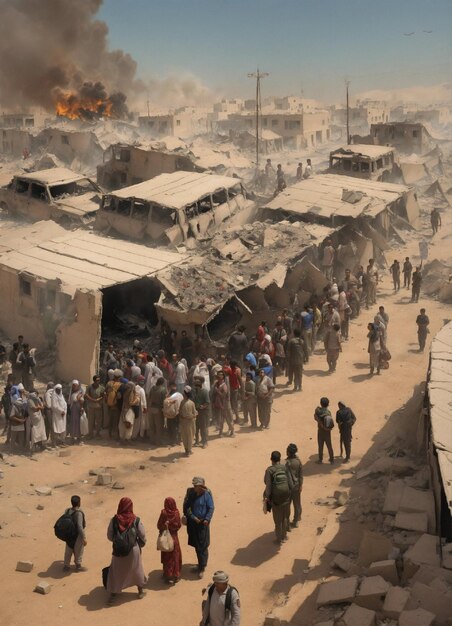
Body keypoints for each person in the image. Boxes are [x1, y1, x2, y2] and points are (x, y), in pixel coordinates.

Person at [106, 497, 146, 604]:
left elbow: (109, 536)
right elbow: (142, 534)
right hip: (133, 549)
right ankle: (140, 590)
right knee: (136, 569)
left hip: (118, 550)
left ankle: (113, 594)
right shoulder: (136, 520)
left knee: (116, 571)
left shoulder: (114, 520)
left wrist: (119, 541)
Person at [183, 476, 214, 579]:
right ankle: (200, 564)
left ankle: (202, 567)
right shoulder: (191, 494)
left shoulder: (207, 495)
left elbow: (211, 508)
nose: (194, 487)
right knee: (197, 545)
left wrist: (207, 519)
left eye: (196, 485)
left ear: (201, 487)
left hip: (203, 524)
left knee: (203, 546)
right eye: (194, 485)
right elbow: (187, 508)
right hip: (193, 523)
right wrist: (193, 517)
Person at [264, 451, 292, 545]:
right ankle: (285, 536)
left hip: (276, 499)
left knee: (277, 520)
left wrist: (267, 498)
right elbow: (290, 482)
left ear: (271, 459)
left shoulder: (269, 470)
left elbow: (268, 486)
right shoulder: (285, 468)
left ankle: (279, 539)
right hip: (286, 497)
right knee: (285, 517)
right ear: (279, 459)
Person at [157, 497, 182, 584]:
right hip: (174, 538)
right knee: (175, 556)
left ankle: (167, 575)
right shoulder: (177, 513)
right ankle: (176, 575)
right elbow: (178, 525)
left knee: (167, 557)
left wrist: (165, 526)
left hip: (166, 538)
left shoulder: (164, 513)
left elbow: (159, 525)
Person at [63, 495, 87, 573]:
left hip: (68, 535)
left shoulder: (67, 510)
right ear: (79, 503)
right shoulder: (79, 513)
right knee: (79, 550)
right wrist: (84, 538)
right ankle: (78, 566)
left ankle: (66, 565)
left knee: (68, 549)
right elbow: (80, 527)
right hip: (77, 535)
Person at [285, 444, 303, 528]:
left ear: (288, 452)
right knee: (297, 504)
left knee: (287, 505)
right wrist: (300, 486)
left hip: (288, 487)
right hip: (296, 486)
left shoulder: (286, 463)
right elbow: (301, 475)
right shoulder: (298, 461)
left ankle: (287, 523)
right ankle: (296, 521)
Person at [212, 371, 234, 437]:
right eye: (218, 375)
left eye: (221, 375)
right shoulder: (216, 384)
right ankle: (220, 432)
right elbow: (213, 394)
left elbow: (224, 395)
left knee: (228, 418)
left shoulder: (224, 385)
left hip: (225, 404)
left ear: (223, 377)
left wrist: (218, 391)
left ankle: (232, 431)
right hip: (219, 404)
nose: (219, 376)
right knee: (220, 419)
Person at [314, 397, 335, 464]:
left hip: (320, 430)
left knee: (320, 446)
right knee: (329, 445)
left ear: (321, 403)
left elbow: (315, 416)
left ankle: (320, 460)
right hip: (327, 431)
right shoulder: (328, 412)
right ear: (328, 404)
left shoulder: (318, 411)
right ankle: (331, 459)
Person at [148, 377, 167, 445]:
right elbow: (164, 401)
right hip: (158, 409)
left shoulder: (152, 388)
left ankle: (151, 440)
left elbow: (149, 397)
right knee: (159, 426)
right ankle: (158, 441)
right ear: (162, 383)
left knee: (152, 425)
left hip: (151, 408)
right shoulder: (163, 389)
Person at [179, 386, 197, 456]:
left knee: (184, 436)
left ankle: (186, 449)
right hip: (190, 422)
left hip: (183, 422)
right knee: (190, 436)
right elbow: (194, 413)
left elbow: (180, 412)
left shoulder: (182, 402)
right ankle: (189, 451)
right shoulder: (191, 403)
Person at [85, 375, 104, 439]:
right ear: (94, 381)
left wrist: (99, 399)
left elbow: (103, 395)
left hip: (98, 406)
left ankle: (98, 433)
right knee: (91, 421)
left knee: (98, 421)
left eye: (99, 380)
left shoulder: (101, 387)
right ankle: (90, 434)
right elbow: (86, 395)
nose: (98, 382)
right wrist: (93, 400)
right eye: (97, 380)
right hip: (91, 406)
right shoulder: (90, 387)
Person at [193, 376, 210, 448]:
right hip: (196, 412)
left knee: (203, 428)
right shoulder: (194, 392)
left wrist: (202, 406)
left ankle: (204, 442)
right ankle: (196, 441)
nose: (196, 387)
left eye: (197, 385)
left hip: (203, 412)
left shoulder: (205, 391)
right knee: (196, 428)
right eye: (195, 385)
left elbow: (207, 402)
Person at [9, 384, 27, 451]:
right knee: (17, 437)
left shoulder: (19, 406)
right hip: (18, 424)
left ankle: (17, 449)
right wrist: (20, 420)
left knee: (17, 437)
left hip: (18, 424)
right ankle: (15, 449)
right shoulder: (18, 406)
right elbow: (11, 416)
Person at [105, 369, 122, 439]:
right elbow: (119, 396)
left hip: (109, 405)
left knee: (110, 420)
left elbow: (106, 393)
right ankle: (116, 436)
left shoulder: (109, 383)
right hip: (117, 405)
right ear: (119, 377)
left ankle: (109, 435)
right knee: (116, 421)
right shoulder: (120, 385)